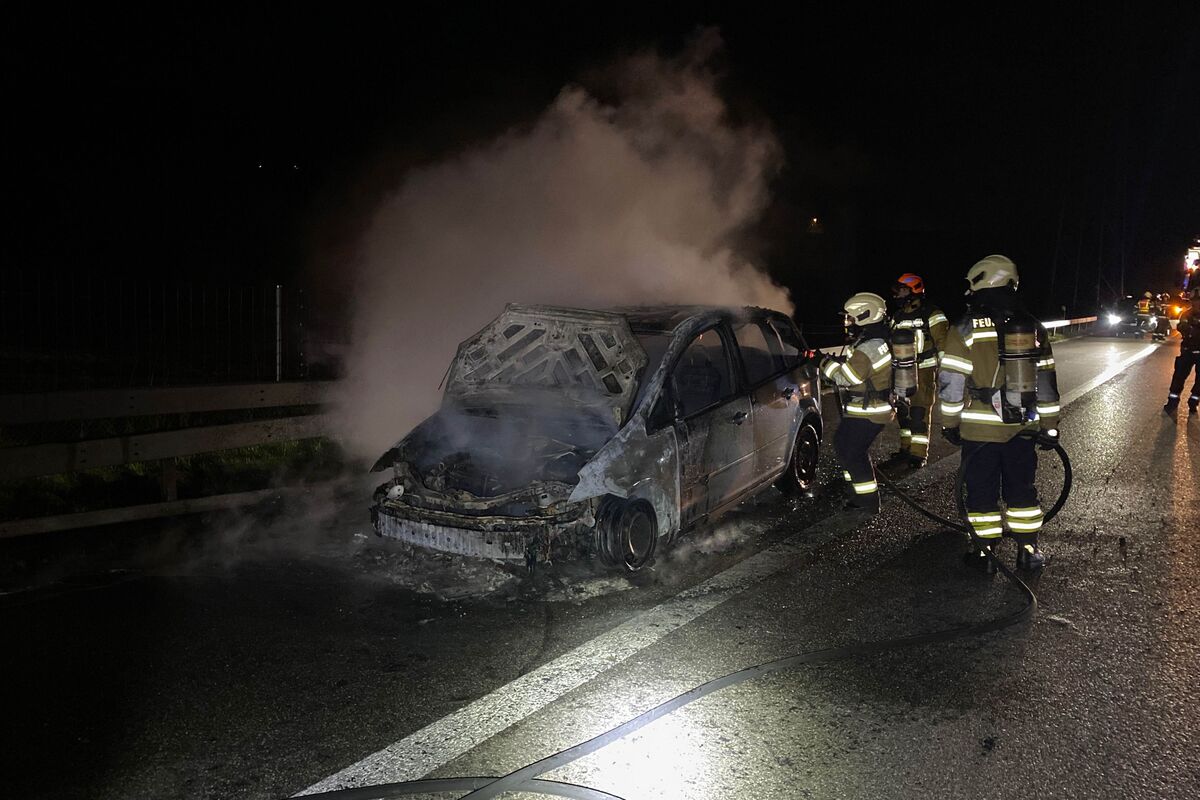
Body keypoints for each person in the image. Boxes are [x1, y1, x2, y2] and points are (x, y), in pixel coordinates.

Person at [938, 255, 1061, 571]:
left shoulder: (965, 328)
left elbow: (951, 380)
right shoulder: (1032, 326)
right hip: (1023, 428)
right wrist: (1049, 427)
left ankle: (984, 554)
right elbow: (1046, 381)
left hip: (980, 431)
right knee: (1022, 490)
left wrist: (950, 422)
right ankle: (1028, 551)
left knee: (981, 493)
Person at [821, 292, 893, 514]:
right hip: (866, 409)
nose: (847, 323)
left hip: (869, 411)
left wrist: (823, 363)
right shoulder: (874, 340)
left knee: (852, 451)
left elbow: (846, 378)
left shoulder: (868, 347)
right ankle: (854, 488)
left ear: (865, 315)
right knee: (843, 444)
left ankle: (867, 501)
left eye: (850, 318)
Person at [886, 273, 948, 467]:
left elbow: (943, 344)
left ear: (914, 290)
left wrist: (946, 372)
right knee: (903, 412)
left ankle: (919, 454)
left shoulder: (932, 314)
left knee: (919, 413)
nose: (898, 295)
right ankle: (905, 449)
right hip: (901, 371)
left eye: (902, 290)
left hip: (924, 370)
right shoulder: (897, 316)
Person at [1163, 287, 1200, 414]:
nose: (1197, 303)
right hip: (1188, 350)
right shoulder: (1187, 314)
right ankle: (1172, 401)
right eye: (1195, 300)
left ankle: (1194, 401)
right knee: (1179, 376)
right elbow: (1181, 327)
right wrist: (1190, 329)